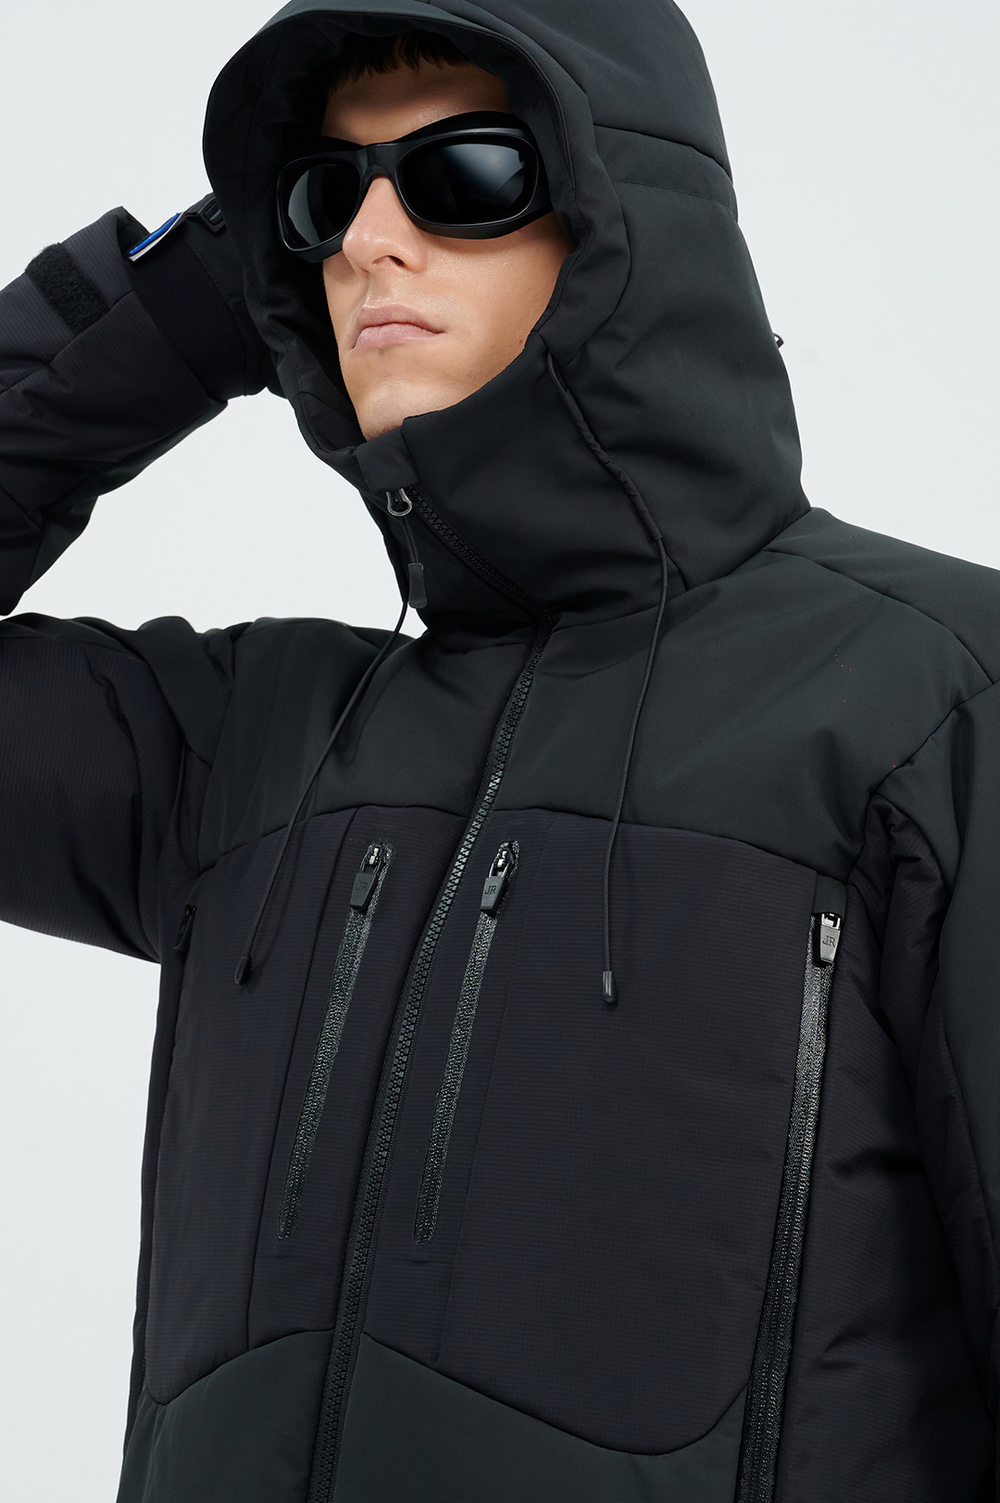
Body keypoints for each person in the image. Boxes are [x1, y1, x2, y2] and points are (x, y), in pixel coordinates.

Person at [0, 3, 996, 1500]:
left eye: (462, 174)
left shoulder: (932, 696)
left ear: (626, 222)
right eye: (321, 197)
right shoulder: (246, 743)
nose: (368, 243)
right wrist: (180, 301)